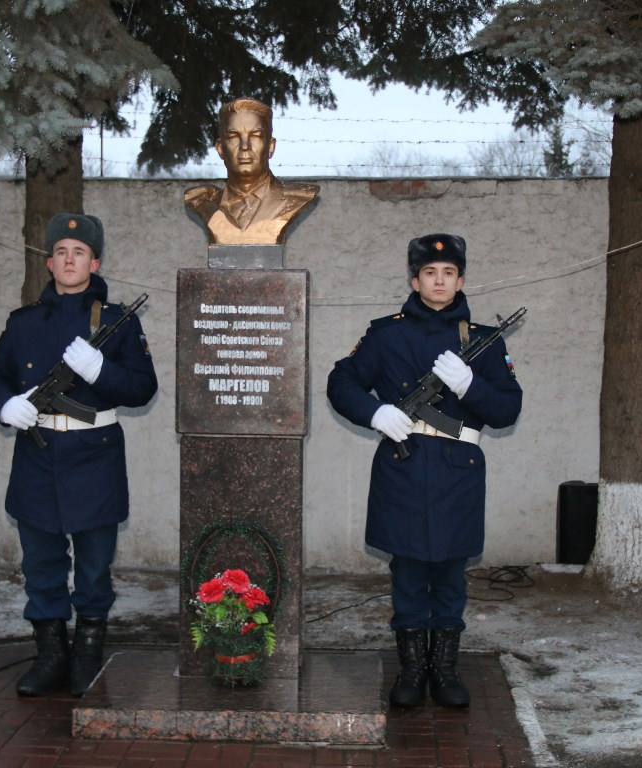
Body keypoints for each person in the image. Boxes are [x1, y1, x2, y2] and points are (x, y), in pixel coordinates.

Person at [326, 234, 523, 709]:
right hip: (405, 467)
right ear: (415, 279)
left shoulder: (483, 342)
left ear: (460, 280)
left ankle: (446, 670)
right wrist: (374, 414)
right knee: (409, 573)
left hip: (458, 468)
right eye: (430, 273)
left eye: (449, 273)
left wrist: (472, 385)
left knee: (451, 575)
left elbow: (507, 409)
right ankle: (413, 671)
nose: (439, 280)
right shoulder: (386, 335)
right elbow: (341, 381)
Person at [0, 213, 157, 697]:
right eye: (60, 252)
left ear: (94, 261)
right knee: (41, 562)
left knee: (94, 566)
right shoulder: (23, 322)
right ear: (51, 262)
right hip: (37, 457)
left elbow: (143, 387)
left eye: (79, 252)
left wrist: (102, 371)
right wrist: (6, 405)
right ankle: (51, 656)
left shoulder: (118, 321)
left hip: (94, 456)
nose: (69, 259)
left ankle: (86, 655)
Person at [184, 97, 318, 245]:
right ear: (220, 148)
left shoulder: (297, 198)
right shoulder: (203, 201)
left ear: (270, 147)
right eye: (233, 137)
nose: (245, 146)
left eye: (255, 136)